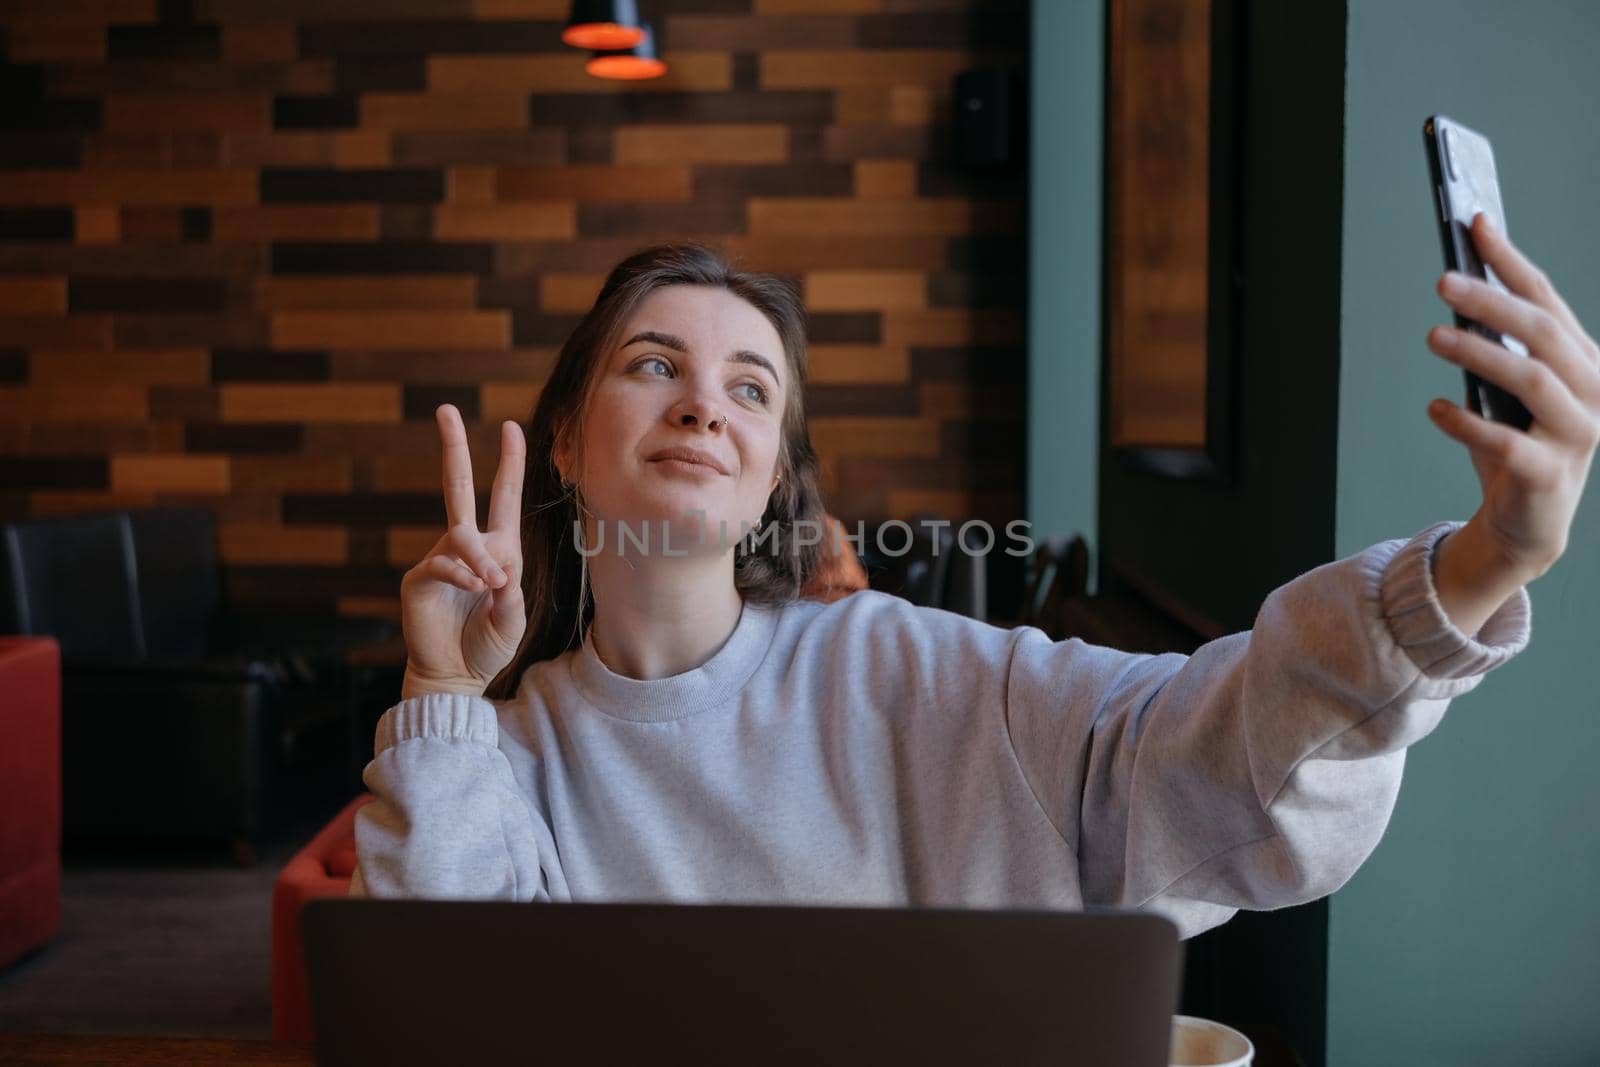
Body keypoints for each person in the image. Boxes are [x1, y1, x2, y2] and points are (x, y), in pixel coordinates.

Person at [352, 221, 1598, 940]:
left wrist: (1489, 559)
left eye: (750, 388)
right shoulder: (503, 755)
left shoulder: (913, 670)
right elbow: (433, 1002)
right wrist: (442, 684)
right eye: (651, 364)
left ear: (776, 472)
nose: (701, 405)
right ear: (565, 440)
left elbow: (1209, 759)